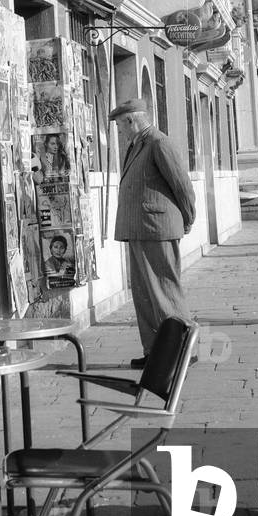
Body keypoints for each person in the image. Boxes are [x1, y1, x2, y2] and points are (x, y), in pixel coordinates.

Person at [110, 98, 195, 369]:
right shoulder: (137, 145)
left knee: (165, 291)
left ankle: (183, 349)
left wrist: (188, 217)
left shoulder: (159, 143)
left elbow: (182, 185)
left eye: (120, 126)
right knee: (145, 295)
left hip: (156, 229)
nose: (120, 131)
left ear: (131, 121)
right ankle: (154, 353)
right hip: (138, 229)